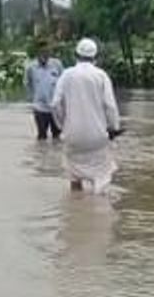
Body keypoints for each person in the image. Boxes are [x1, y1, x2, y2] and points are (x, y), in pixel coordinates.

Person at [51, 38, 122, 194]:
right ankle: (98, 210)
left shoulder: (67, 75)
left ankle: (76, 210)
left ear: (76, 54)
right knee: (101, 178)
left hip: (73, 137)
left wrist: (62, 126)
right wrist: (114, 129)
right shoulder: (101, 76)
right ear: (96, 56)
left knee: (74, 176)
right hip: (97, 137)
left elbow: (55, 104)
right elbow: (110, 106)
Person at [25, 41, 64, 141]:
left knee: (57, 137)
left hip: (55, 108)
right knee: (41, 137)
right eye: (42, 52)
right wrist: (33, 100)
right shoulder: (31, 67)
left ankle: (54, 156)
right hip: (40, 108)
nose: (45, 54)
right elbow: (28, 84)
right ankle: (41, 156)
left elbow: (63, 83)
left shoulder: (57, 65)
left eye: (47, 52)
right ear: (38, 52)